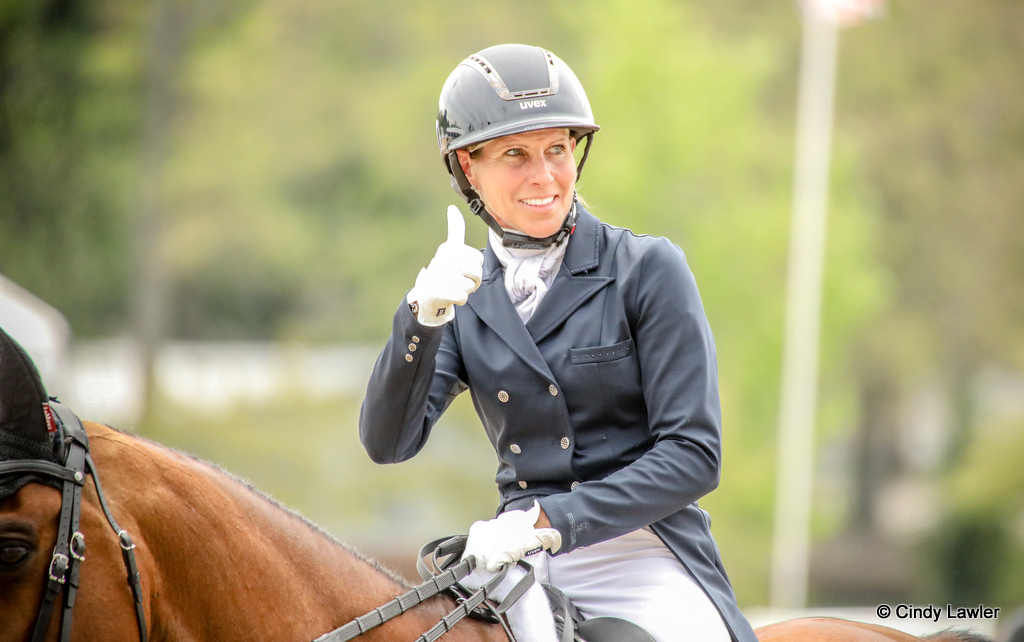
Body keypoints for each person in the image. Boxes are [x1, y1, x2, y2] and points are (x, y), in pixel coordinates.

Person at [359, 43, 757, 642]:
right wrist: (421, 317)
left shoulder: (646, 268)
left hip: (641, 550)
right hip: (510, 558)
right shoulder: (463, 297)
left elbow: (693, 455)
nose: (543, 175)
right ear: (469, 167)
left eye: (557, 149)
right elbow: (388, 443)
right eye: (515, 154)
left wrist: (549, 519)